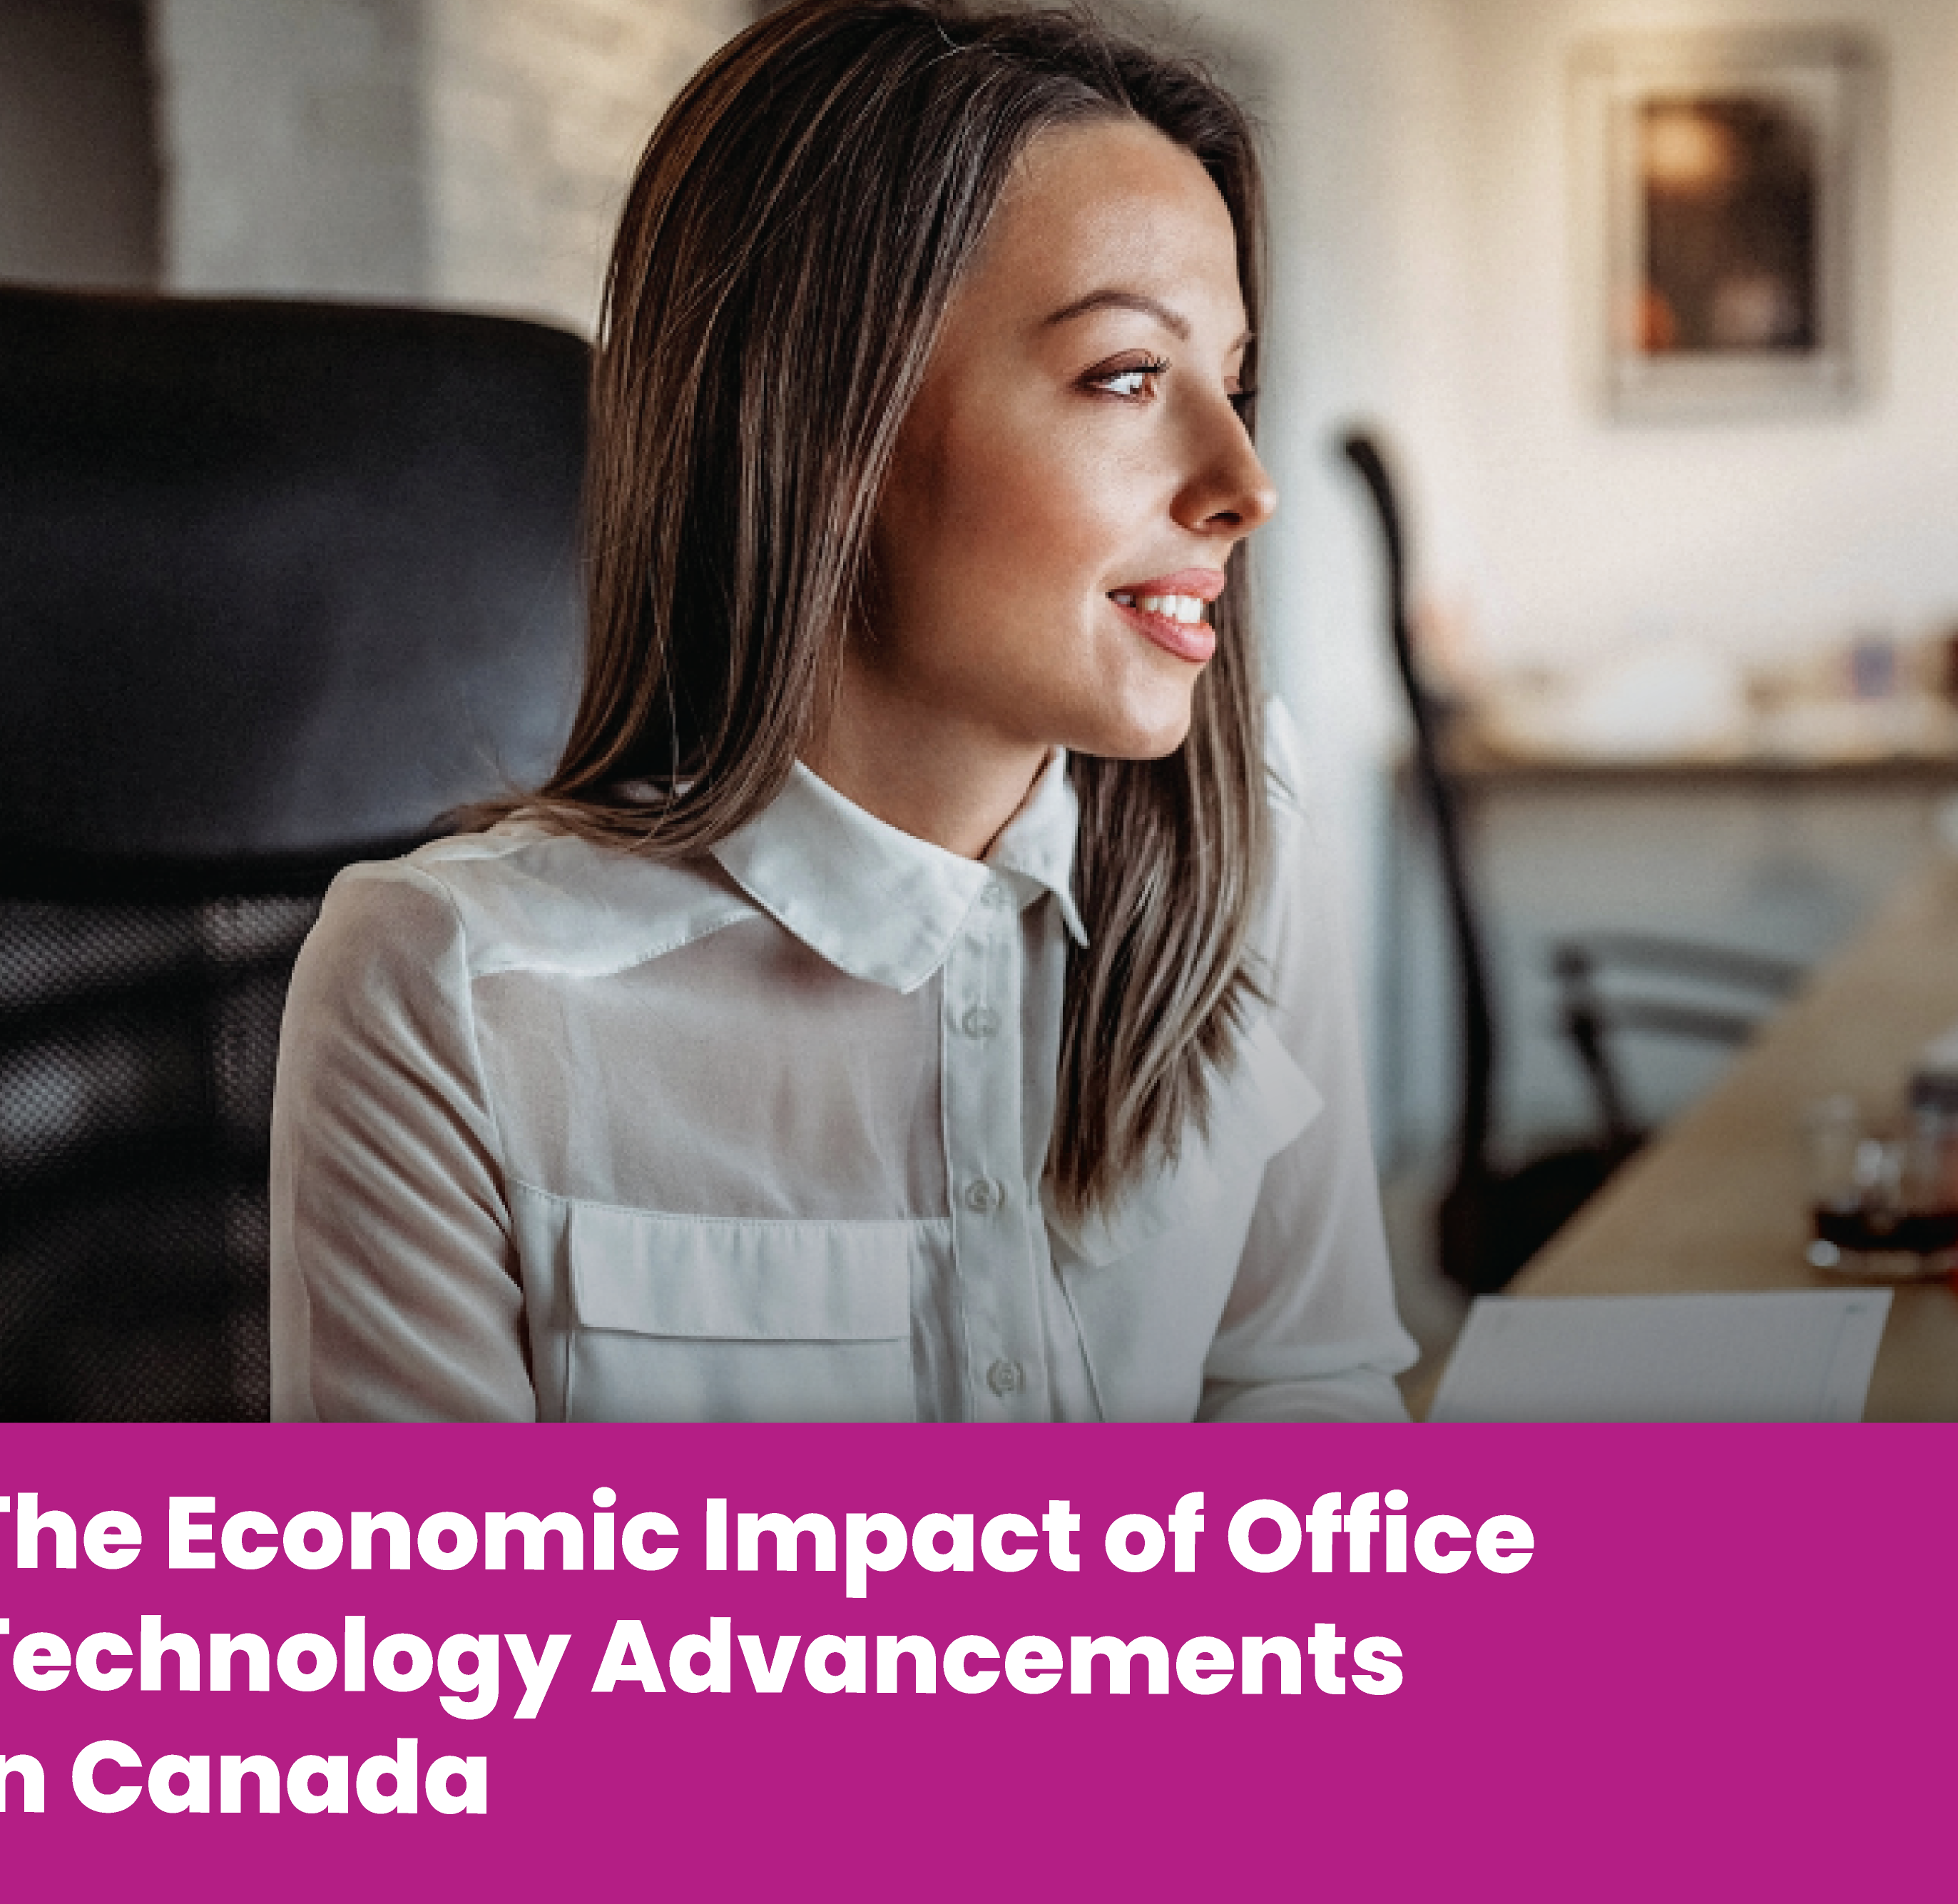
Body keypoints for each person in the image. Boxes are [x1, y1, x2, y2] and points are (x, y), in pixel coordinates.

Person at [267, 1, 1414, 1422]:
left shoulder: (1242, 829)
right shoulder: (446, 989)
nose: (1243, 480)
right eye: (1128, 376)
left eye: (1232, 386)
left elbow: (1305, 1385)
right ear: (822, 418)